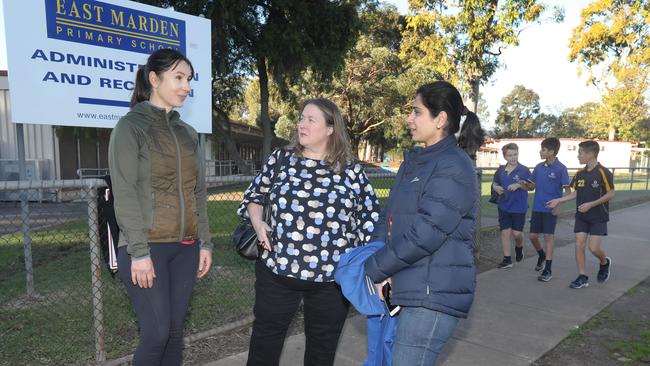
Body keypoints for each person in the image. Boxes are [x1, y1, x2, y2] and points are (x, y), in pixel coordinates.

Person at [238, 98, 381, 366]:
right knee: (264, 345)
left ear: (330, 129)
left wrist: (362, 265)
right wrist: (259, 224)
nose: (301, 124)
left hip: (331, 283)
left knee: (322, 351)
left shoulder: (351, 171)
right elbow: (254, 197)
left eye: (310, 119)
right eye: (301, 118)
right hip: (276, 273)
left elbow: (370, 219)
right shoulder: (281, 159)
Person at [364, 81, 485, 366]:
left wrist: (373, 268)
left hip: (432, 296)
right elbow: (389, 216)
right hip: (409, 286)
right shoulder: (415, 161)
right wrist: (378, 263)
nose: (409, 118)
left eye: (417, 112)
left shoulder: (453, 165)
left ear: (440, 119)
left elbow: (426, 233)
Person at [108, 48, 213, 365]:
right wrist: (138, 251)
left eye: (189, 79)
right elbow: (124, 193)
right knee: (156, 333)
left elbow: (198, 192)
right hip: (146, 247)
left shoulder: (188, 133)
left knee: (175, 332)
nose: (186, 86)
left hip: (186, 247)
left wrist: (204, 242)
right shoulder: (130, 127)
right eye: (179, 77)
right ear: (154, 79)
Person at [547, 140, 614, 289]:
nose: (578, 156)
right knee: (579, 245)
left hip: (598, 217)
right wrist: (559, 200)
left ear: (590, 154)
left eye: (580, 153)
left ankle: (604, 262)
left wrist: (591, 204)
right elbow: (575, 193)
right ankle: (582, 276)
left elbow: (611, 194)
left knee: (594, 248)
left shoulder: (603, 172)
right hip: (582, 217)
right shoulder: (579, 174)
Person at [526, 138, 571, 282]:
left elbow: (568, 192)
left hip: (550, 209)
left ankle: (548, 270)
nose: (540, 152)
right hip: (537, 208)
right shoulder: (538, 167)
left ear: (551, 152)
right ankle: (541, 255)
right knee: (533, 236)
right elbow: (531, 187)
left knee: (548, 238)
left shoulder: (561, 168)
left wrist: (559, 205)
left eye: (543, 150)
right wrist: (523, 184)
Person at [492, 143, 532, 269]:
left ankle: (519, 247)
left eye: (515, 154)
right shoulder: (500, 170)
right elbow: (495, 182)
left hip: (519, 207)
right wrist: (496, 187)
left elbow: (531, 187)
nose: (513, 157)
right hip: (504, 206)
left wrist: (520, 185)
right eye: (510, 155)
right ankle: (507, 259)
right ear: (505, 157)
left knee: (516, 234)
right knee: (505, 232)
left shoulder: (524, 170)